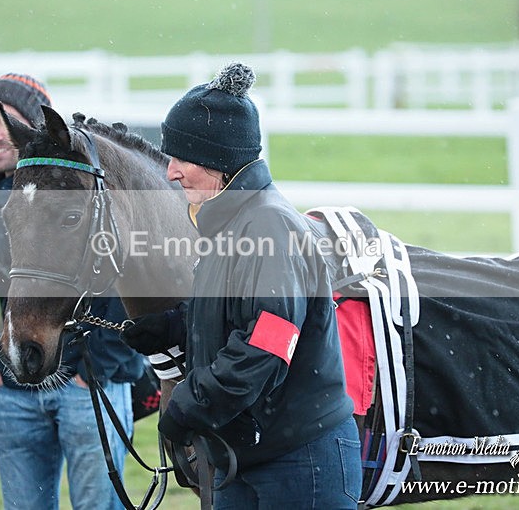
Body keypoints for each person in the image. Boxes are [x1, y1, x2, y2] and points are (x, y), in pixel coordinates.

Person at [122, 63, 362, 508]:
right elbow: (237, 311)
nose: (170, 172)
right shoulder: (229, 222)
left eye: (181, 157)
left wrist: (190, 404)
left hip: (299, 461)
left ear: (219, 161)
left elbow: (269, 341)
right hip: (248, 453)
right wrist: (175, 326)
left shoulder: (269, 225)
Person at [0, 73, 145, 509]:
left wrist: (97, 365)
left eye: (4, 122)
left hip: (88, 385)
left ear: (34, 130)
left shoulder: (85, 186)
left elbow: (123, 270)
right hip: (15, 386)